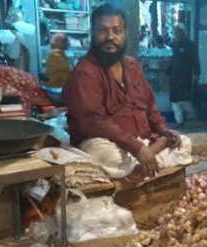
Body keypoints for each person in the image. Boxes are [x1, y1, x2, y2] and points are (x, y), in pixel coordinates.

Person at [63, 4, 191, 179]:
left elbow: (150, 107)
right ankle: (150, 156)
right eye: (103, 31)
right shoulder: (85, 72)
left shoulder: (132, 66)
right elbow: (94, 122)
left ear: (125, 34)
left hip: (141, 141)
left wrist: (163, 131)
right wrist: (137, 148)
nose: (110, 37)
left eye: (117, 31)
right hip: (109, 144)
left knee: (183, 142)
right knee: (106, 155)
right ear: (92, 33)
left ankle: (144, 160)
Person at [168, 23, 200, 126]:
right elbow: (171, 60)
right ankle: (180, 121)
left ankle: (191, 117)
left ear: (183, 33)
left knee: (184, 99)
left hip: (185, 76)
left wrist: (196, 74)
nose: (176, 34)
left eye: (178, 32)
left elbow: (196, 60)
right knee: (174, 100)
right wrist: (167, 71)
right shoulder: (173, 44)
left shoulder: (190, 45)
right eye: (175, 32)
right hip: (174, 77)